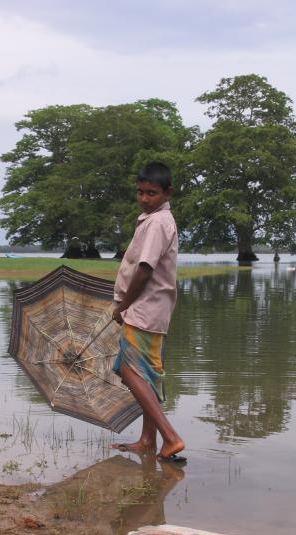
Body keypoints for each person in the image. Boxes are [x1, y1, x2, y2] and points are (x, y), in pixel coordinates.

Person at [111, 161, 185, 461]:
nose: (144, 198)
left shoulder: (156, 223)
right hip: (153, 310)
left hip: (143, 310)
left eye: (151, 193)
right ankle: (147, 440)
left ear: (168, 193)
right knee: (146, 376)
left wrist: (123, 305)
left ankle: (171, 437)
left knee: (129, 371)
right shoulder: (155, 219)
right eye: (140, 192)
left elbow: (144, 269)